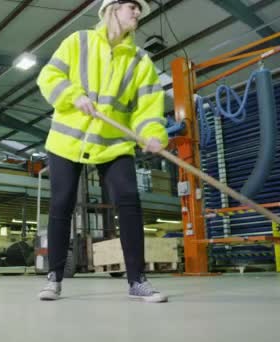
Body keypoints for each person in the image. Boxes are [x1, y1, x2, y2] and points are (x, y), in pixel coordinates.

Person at [36, 0, 168, 303]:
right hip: (67, 141)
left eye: (139, 9)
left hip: (113, 141)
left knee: (129, 200)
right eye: (133, 6)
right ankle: (54, 278)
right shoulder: (78, 41)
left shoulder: (140, 61)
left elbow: (147, 108)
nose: (138, 12)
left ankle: (137, 280)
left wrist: (152, 134)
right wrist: (73, 95)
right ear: (113, 8)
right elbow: (49, 77)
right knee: (62, 204)